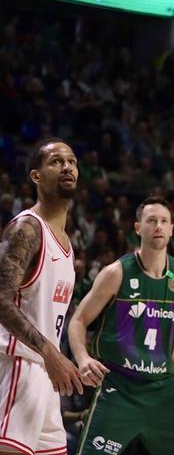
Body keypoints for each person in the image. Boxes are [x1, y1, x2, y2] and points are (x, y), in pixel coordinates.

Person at [67, 196, 174, 454]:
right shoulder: (116, 273)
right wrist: (82, 358)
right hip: (119, 389)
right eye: (151, 220)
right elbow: (78, 321)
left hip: (161, 392)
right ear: (138, 228)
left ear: (171, 229)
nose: (158, 226)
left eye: (164, 221)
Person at [0, 139, 84, 455]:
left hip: (45, 372)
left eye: (72, 161)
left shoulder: (64, 240)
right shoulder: (27, 228)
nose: (67, 167)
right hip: (17, 363)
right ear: (36, 176)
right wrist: (50, 352)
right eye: (56, 161)